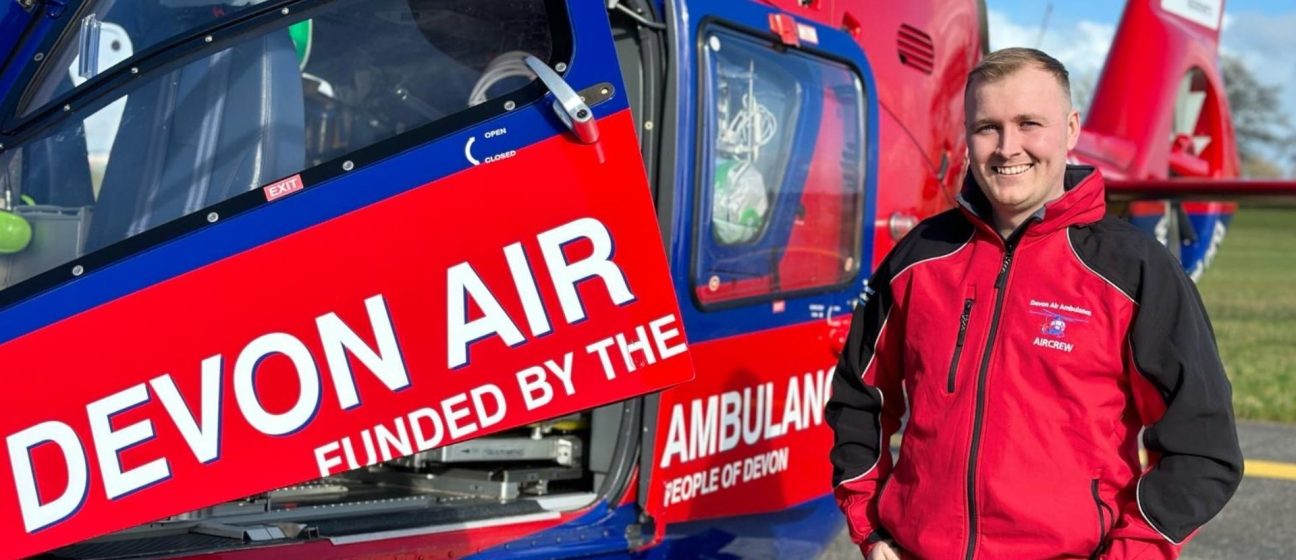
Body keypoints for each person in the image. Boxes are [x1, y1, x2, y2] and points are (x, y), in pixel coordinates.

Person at [826, 47, 1243, 560]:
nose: (1007, 148)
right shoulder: (920, 256)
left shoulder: (1133, 270)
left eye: (1029, 123)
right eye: (987, 128)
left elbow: (1204, 445)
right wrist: (868, 519)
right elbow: (857, 394)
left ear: (1070, 130)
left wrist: (1132, 553)